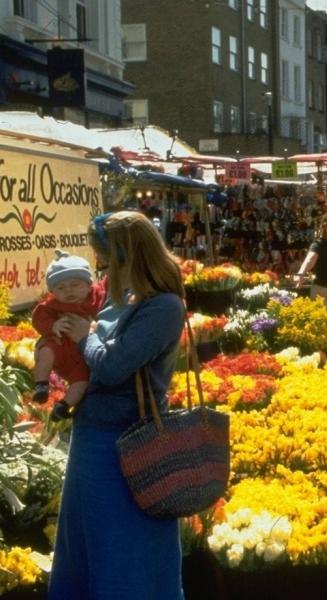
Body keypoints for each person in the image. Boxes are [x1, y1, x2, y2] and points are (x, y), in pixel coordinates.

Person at [49, 211, 186, 598]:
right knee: (87, 544)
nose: (101, 267)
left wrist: (84, 337)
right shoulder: (121, 294)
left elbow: (112, 367)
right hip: (93, 438)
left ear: (129, 255)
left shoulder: (163, 306)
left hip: (129, 443)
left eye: (106, 257)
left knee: (126, 550)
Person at [31, 250, 107, 421]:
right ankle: (41, 385)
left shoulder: (98, 298)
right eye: (61, 288)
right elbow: (38, 318)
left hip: (82, 355)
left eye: (75, 285)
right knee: (46, 352)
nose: (69, 291)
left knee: (81, 382)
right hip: (61, 345)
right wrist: (53, 325)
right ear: (53, 292)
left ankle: (63, 407)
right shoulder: (52, 305)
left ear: (89, 285)